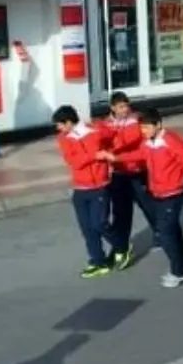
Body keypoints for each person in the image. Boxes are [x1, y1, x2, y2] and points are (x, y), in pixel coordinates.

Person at [99, 107, 183, 288]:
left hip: (172, 193)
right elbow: (138, 154)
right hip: (157, 193)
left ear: (158, 125)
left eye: (146, 128)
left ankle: (178, 272)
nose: (143, 132)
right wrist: (115, 157)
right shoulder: (148, 143)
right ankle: (181, 268)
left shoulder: (169, 140)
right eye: (142, 129)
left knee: (166, 233)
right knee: (173, 232)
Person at [53, 105, 120, 278]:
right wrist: (95, 156)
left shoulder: (94, 130)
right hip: (80, 188)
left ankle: (121, 245)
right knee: (87, 229)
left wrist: (106, 152)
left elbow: (112, 135)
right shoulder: (63, 138)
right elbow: (73, 161)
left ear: (69, 122)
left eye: (60, 125)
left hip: (99, 186)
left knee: (100, 224)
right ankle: (99, 261)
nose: (58, 129)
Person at [101, 91, 157, 253]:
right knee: (120, 213)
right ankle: (121, 245)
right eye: (120, 107)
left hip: (137, 170)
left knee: (148, 205)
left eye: (126, 106)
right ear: (112, 107)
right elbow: (103, 143)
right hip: (119, 173)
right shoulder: (106, 124)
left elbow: (134, 139)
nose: (125, 109)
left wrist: (115, 145)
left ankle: (160, 234)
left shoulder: (137, 119)